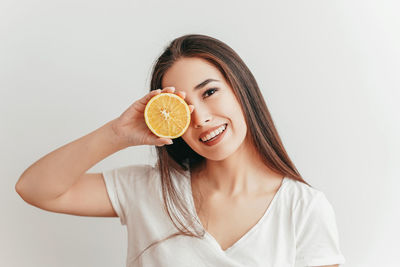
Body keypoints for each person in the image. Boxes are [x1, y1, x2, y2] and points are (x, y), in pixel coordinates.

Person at [15, 34, 346, 267]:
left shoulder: (303, 209)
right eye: (181, 107)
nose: (199, 118)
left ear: (242, 90)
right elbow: (34, 188)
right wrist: (116, 133)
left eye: (210, 92)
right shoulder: (147, 190)